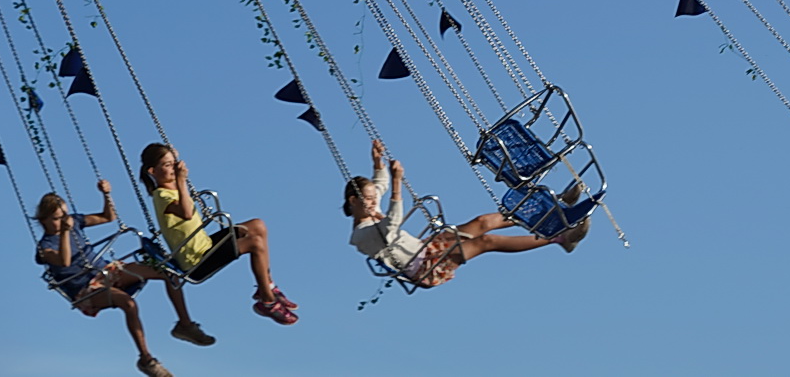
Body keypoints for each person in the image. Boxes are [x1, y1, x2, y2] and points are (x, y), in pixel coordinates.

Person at [345, 138, 587, 288]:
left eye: (373, 197)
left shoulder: (368, 204)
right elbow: (391, 225)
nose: (373, 200)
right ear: (353, 201)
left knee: (482, 221)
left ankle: (555, 207)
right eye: (367, 198)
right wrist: (398, 183)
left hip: (425, 246)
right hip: (425, 268)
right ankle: (559, 238)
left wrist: (378, 163)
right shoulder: (362, 235)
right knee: (486, 241)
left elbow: (379, 185)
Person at [34, 180, 214, 377]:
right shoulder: (44, 248)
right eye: (56, 219)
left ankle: (185, 325)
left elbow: (108, 217)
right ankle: (147, 360)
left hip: (107, 271)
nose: (62, 222)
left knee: (169, 273)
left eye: (64, 217)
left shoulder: (74, 222)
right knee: (128, 304)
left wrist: (106, 195)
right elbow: (65, 260)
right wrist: (65, 233)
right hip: (85, 290)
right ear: (43, 220)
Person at [137, 144, 296, 326]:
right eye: (167, 165)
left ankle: (267, 286)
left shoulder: (172, 189)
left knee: (257, 225)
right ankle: (267, 302)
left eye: (174, 163)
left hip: (205, 245)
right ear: (153, 171)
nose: (173, 169)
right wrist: (181, 180)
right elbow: (186, 212)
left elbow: (177, 184)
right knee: (255, 242)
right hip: (196, 261)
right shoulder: (162, 196)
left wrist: (172, 156)